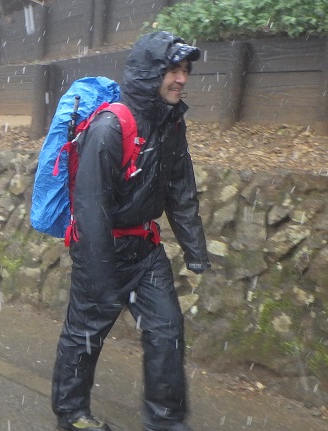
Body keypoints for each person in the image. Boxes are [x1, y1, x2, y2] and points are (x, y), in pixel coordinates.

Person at [50, 31, 211, 431]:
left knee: (167, 330)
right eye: (173, 70)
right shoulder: (111, 126)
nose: (181, 79)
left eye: (185, 70)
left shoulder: (170, 124)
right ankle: (71, 414)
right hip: (101, 246)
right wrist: (100, 270)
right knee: (86, 334)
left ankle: (166, 419)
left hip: (145, 248)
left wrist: (195, 249)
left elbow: (180, 187)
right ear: (150, 73)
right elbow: (89, 208)